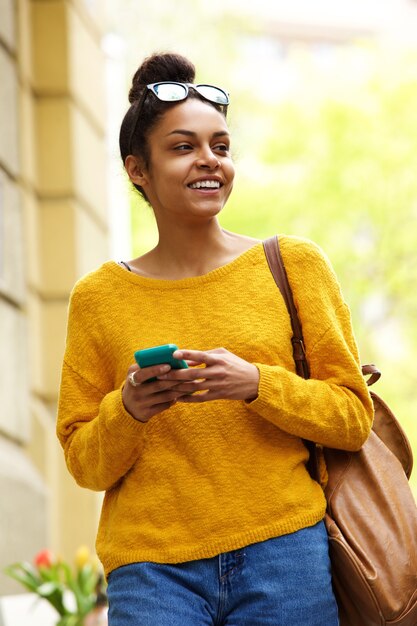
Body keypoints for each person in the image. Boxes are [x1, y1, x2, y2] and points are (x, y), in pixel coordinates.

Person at [56, 52, 374, 626]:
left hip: (284, 555)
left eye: (220, 147)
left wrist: (256, 384)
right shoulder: (97, 297)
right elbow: (85, 464)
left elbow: (353, 417)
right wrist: (129, 408)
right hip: (152, 571)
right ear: (138, 169)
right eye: (183, 147)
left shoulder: (293, 265)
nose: (209, 161)